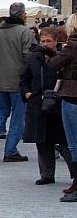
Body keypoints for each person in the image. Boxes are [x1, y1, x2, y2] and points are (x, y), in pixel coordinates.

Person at [20, 26, 76, 188]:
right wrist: (27, 93)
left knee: (64, 141)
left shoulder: (62, 56)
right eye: (42, 41)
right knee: (42, 140)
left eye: (48, 41)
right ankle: (46, 174)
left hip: (57, 103)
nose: (45, 44)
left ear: (55, 42)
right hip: (38, 103)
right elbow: (24, 78)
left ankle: (74, 174)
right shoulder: (35, 58)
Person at [0, 2, 32, 162]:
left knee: (0, 113)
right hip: (17, 81)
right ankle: (10, 151)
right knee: (17, 117)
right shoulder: (24, 31)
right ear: (23, 15)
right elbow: (28, 56)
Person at [49, 14, 77, 201]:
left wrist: (50, 53)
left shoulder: (72, 45)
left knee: (74, 144)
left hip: (72, 96)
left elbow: (53, 65)